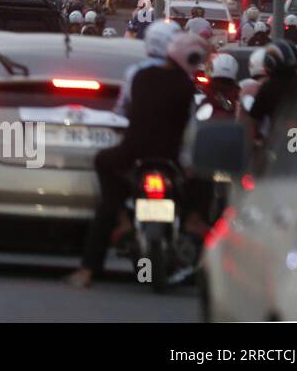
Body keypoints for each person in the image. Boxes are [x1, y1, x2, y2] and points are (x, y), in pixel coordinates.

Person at [68, 30, 206, 288]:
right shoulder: (187, 85)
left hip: (132, 153)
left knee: (107, 194)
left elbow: (122, 109)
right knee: (204, 179)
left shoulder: (139, 75)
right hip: (170, 157)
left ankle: (93, 262)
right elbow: (191, 127)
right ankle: (192, 220)